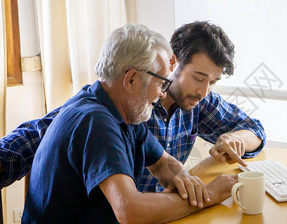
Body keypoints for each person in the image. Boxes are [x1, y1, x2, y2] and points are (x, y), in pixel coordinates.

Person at [8, 24, 237, 224]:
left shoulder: (125, 112)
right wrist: (209, 196)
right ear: (131, 79)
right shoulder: (95, 120)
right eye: (161, 83)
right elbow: (131, 211)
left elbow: (162, 163)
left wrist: (185, 180)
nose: (163, 94)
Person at [0, 21, 265, 191]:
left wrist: (235, 138)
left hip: (157, 218)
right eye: (198, 77)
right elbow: (36, 136)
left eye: (213, 82)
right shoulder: (125, 103)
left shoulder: (198, 102)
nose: (204, 91)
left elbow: (254, 129)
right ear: (173, 64)